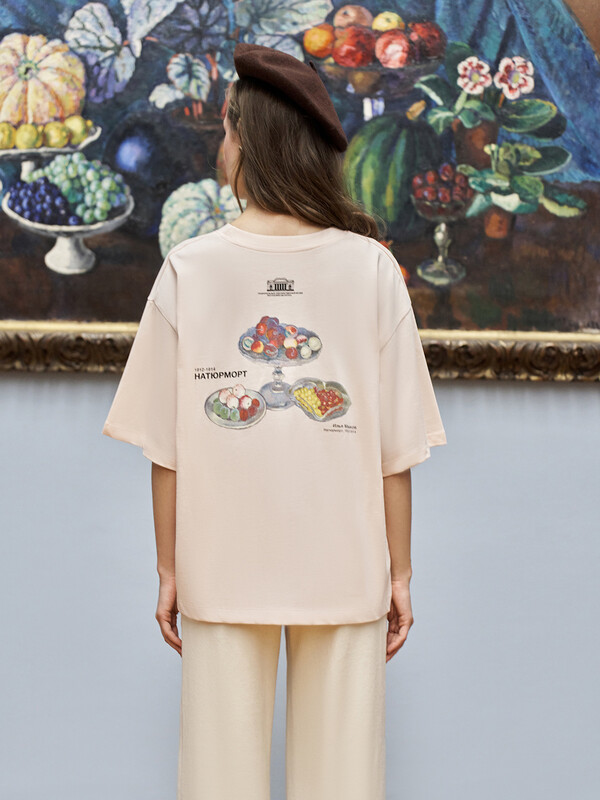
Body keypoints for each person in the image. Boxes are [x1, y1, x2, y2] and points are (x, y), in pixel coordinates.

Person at [102, 42, 447, 800]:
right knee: (344, 779)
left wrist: (169, 570)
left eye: (226, 129)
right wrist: (400, 574)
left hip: (221, 561)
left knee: (217, 779)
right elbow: (395, 454)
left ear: (242, 138)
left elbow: (167, 450)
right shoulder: (372, 269)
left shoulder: (189, 267)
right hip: (346, 562)